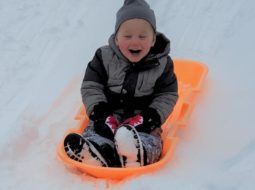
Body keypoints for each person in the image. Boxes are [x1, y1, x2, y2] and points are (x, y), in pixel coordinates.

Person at [64, 0, 178, 168]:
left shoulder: (162, 65)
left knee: (149, 139)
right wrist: (100, 113)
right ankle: (99, 152)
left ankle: (137, 154)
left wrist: (150, 117)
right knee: (96, 132)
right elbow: (91, 85)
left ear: (153, 39)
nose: (135, 42)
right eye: (127, 36)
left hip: (142, 121)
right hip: (108, 117)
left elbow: (167, 95)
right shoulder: (104, 57)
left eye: (142, 36)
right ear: (116, 39)